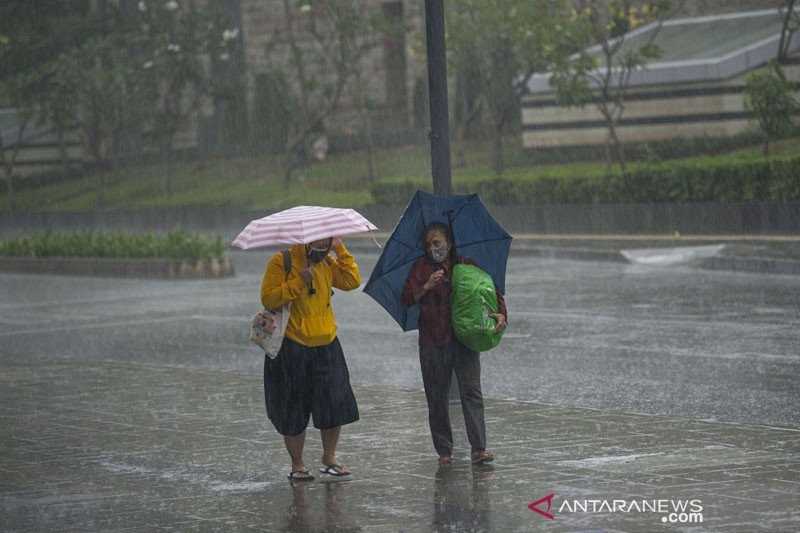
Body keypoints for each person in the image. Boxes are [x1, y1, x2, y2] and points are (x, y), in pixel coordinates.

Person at [402, 223, 507, 466]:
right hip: (433, 341)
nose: (433, 248)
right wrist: (426, 286)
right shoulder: (421, 268)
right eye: (428, 244)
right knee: (436, 397)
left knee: (471, 392)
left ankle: (479, 448)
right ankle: (444, 451)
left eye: (437, 242)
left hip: (464, 340)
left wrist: (501, 314)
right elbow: (406, 298)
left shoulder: (467, 265)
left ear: (449, 242)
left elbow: (490, 292)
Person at [261, 237, 361, 481]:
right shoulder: (281, 262)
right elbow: (269, 299)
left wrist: (341, 250)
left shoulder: (327, 262)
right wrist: (298, 282)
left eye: (327, 242)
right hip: (292, 346)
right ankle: (297, 464)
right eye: (318, 242)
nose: (322, 247)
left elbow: (352, 281)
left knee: (334, 405)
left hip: (327, 343)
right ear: (304, 240)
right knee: (292, 408)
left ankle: (329, 458)